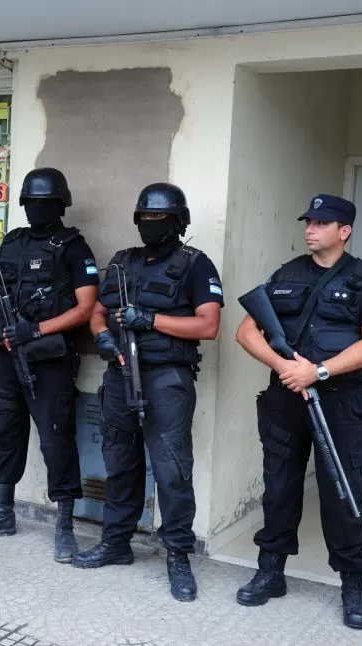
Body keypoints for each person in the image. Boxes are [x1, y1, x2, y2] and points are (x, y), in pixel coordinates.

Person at [233, 194, 362, 630]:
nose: (310, 229)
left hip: (340, 401)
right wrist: (286, 367)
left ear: (344, 231)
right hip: (286, 397)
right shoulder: (287, 274)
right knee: (279, 485)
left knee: (343, 490)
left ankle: (353, 583)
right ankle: (271, 571)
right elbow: (247, 331)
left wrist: (318, 371)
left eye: (322, 223)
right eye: (309, 221)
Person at [73, 182, 223, 603]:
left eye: (158, 218)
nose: (148, 224)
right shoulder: (123, 263)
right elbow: (99, 313)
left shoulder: (196, 265)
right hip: (120, 374)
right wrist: (102, 336)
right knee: (119, 462)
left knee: (172, 471)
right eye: (143, 218)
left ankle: (177, 554)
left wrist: (150, 319)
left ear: (177, 222)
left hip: (167, 380)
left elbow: (208, 326)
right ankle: (116, 543)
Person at [0, 167, 98, 565]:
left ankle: (65, 526)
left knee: (56, 440)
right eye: (32, 202)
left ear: (59, 205)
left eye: (45, 203)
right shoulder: (13, 242)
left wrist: (34, 330)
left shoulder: (73, 247)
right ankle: (2, 513)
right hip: (6, 355)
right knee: (7, 433)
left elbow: (85, 308)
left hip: (49, 360)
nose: (37, 208)